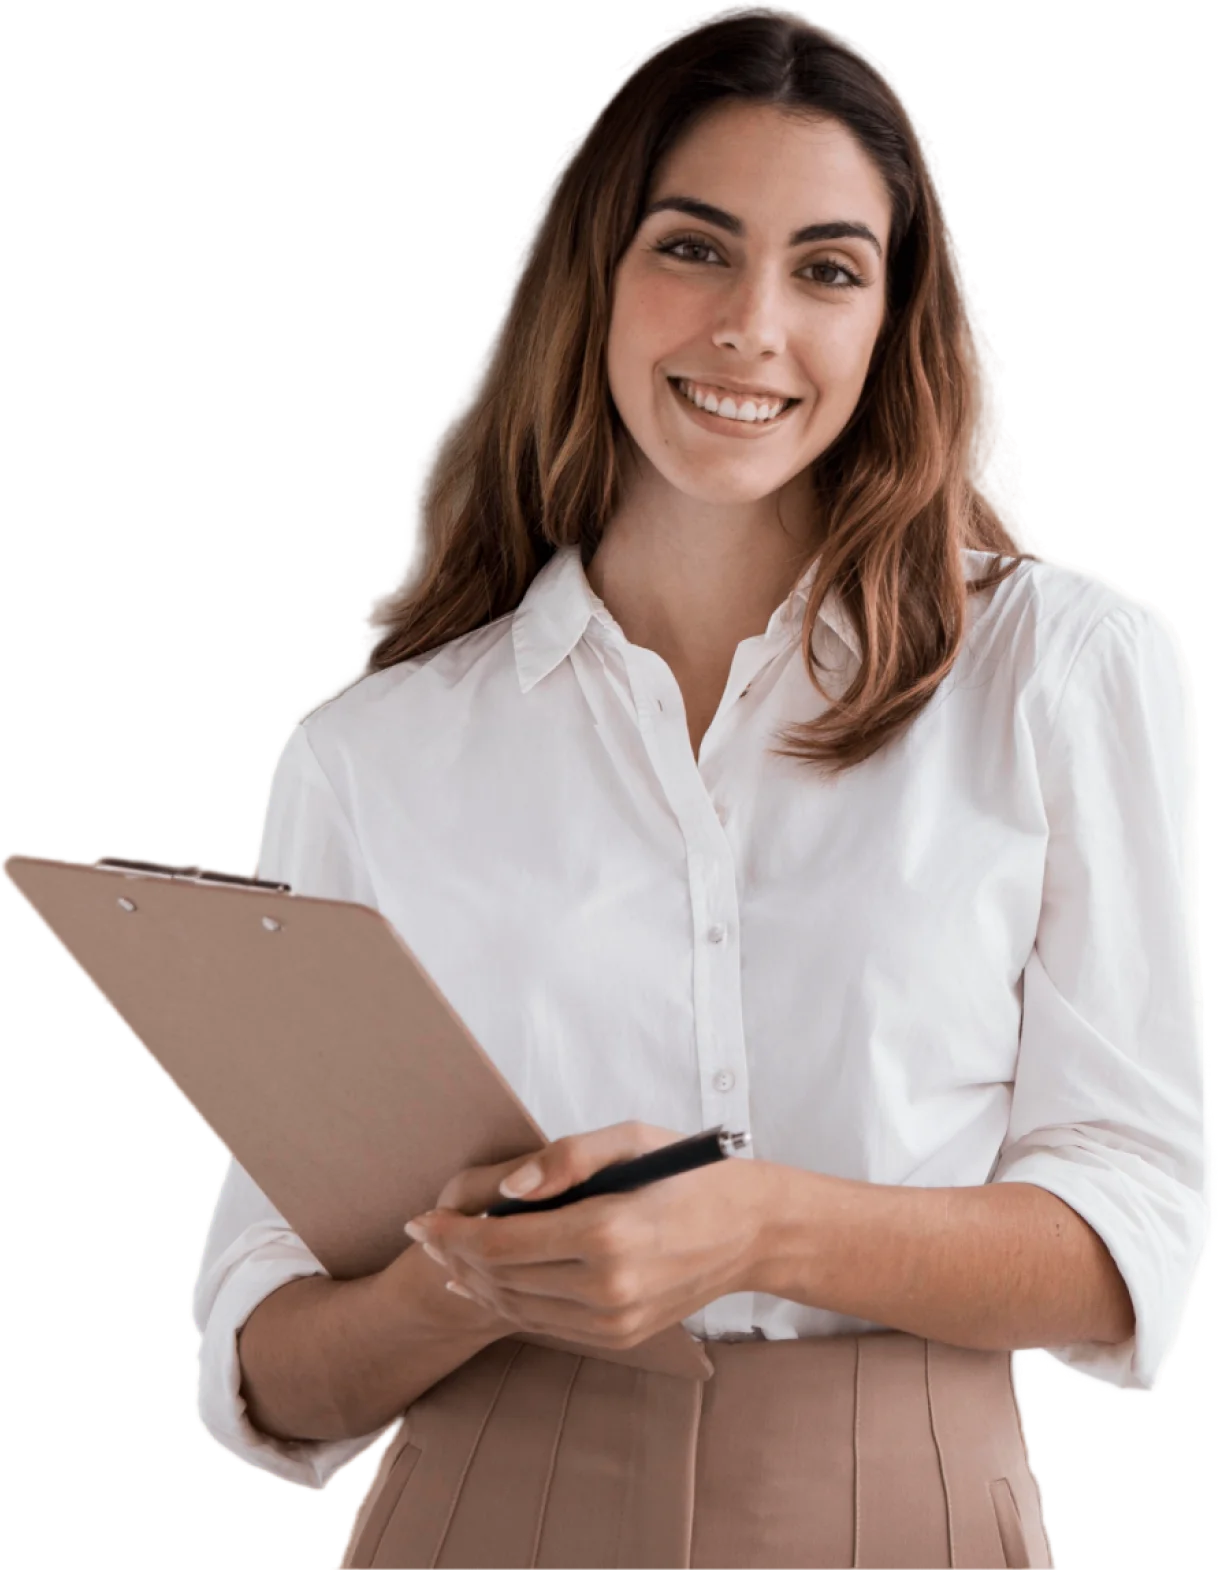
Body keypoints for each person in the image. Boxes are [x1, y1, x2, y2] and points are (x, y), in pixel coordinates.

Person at [188, 7, 1213, 1567]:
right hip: (481, 1510)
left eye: (825, 268)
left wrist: (754, 1222)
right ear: (594, 277)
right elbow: (268, 1366)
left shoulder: (1059, 669)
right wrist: (469, 1277)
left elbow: (1134, 1236)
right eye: (693, 249)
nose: (751, 327)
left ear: (892, 321)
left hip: (909, 1508)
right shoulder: (371, 756)